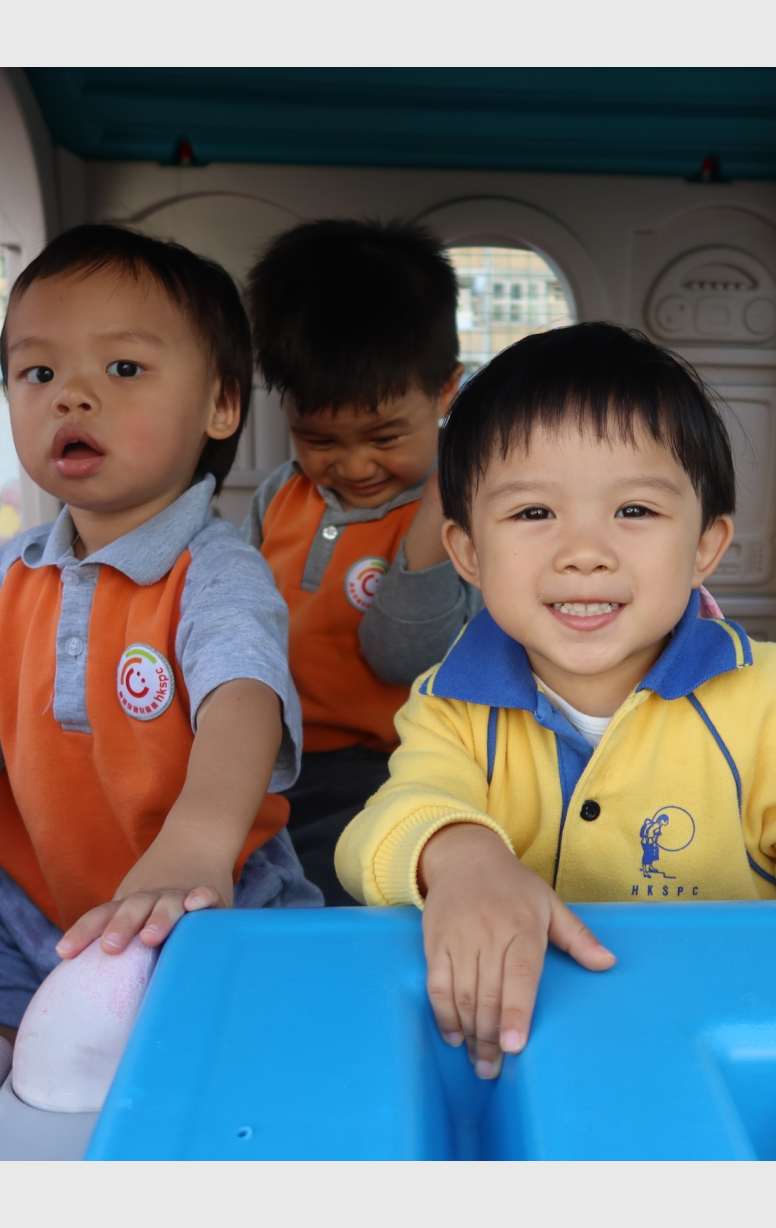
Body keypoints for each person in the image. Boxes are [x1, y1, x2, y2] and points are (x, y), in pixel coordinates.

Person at [335, 322, 776, 1078]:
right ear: (468, 553)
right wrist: (460, 857)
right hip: (529, 1038)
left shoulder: (762, 694)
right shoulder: (450, 702)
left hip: (738, 1035)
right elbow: (382, 827)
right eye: (533, 513)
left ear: (705, 546)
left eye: (635, 511)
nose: (584, 553)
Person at [0, 225, 320, 1042]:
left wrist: (197, 843)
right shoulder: (12, 573)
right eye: (39, 373)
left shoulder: (215, 572)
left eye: (123, 369)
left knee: (232, 1080)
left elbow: (242, 703)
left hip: (208, 908)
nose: (70, 396)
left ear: (220, 405)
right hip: (29, 921)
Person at [242, 219, 482, 904]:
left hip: (393, 769)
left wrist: (436, 513)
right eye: (319, 439)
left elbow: (405, 658)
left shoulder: (462, 516)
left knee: (338, 900)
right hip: (269, 761)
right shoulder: (279, 496)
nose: (352, 465)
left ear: (445, 391)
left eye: (384, 436)